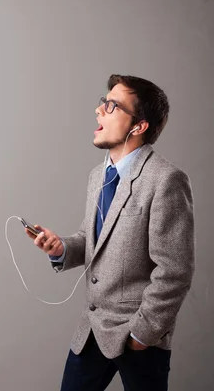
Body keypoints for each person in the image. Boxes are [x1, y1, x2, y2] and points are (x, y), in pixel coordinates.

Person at [27, 75, 195, 391]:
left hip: (138, 335)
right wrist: (60, 247)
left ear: (138, 126)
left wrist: (142, 335)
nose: (98, 110)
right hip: (91, 331)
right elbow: (95, 240)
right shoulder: (98, 175)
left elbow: (175, 272)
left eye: (112, 105)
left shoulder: (166, 180)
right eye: (103, 102)